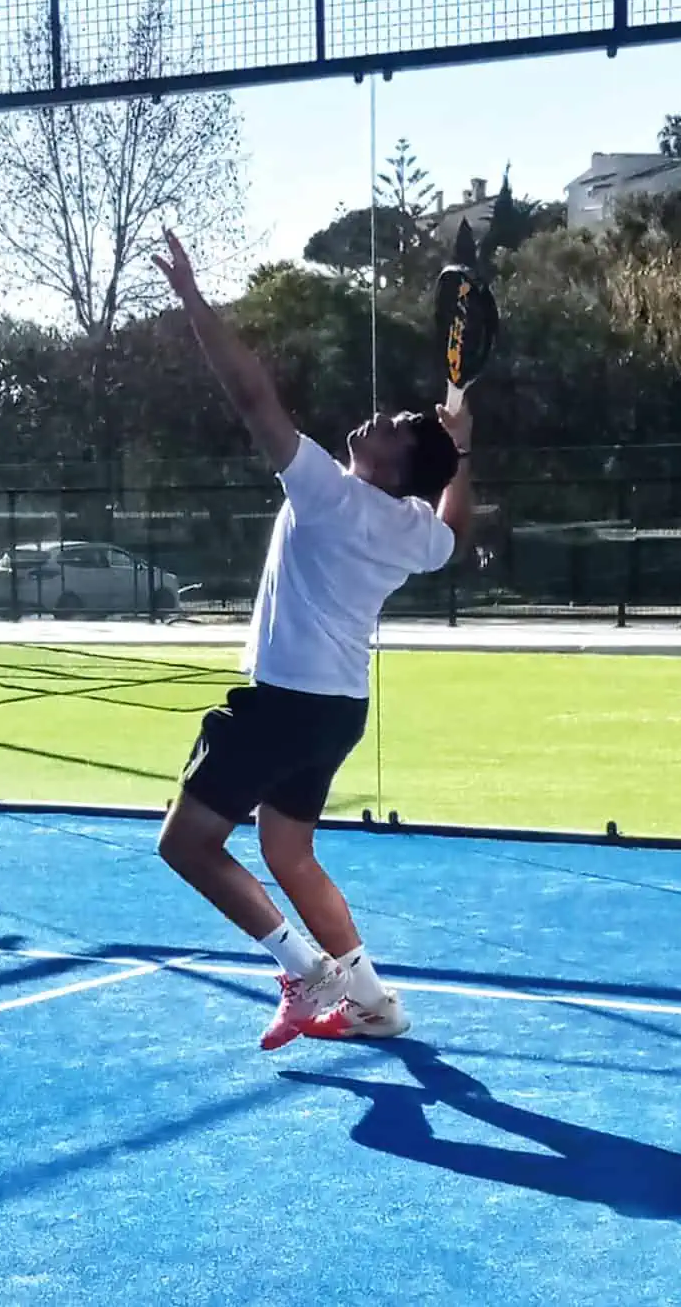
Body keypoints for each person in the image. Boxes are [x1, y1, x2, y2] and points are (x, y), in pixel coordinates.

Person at [150, 230, 477, 1050]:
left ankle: (303, 970)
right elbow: (453, 524)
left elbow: (252, 395)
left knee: (186, 843)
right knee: (287, 851)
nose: (377, 418)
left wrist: (194, 300)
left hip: (283, 703)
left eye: (394, 426)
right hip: (336, 712)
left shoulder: (328, 492)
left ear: (395, 465)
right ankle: (372, 1002)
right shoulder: (413, 531)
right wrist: (462, 447)